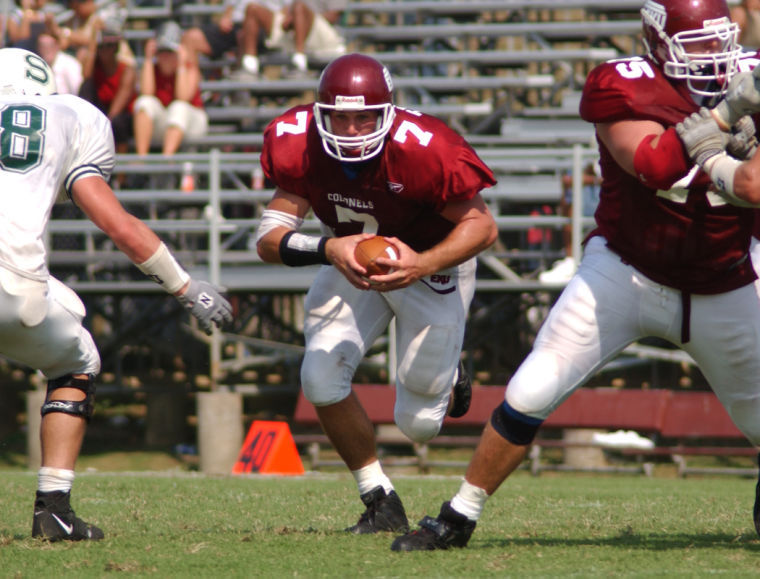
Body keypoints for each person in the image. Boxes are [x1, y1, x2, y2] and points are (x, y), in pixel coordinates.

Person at [391, 0, 760, 551]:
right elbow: (654, 165)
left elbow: (754, 189)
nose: (715, 57)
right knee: (534, 387)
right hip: (626, 271)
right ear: (659, 44)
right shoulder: (622, 83)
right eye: (699, 45)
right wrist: (723, 120)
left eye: (720, 41)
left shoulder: (747, 76)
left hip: (724, 279)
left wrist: (718, 155)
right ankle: (457, 517)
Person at [255, 53, 497, 533]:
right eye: (339, 117)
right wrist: (330, 248)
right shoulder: (297, 141)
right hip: (352, 264)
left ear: (387, 112)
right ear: (319, 112)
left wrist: (421, 263)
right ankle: (378, 500)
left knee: (419, 425)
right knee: (320, 377)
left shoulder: (425, 148)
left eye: (363, 116)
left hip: (428, 264)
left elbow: (483, 227)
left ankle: (447, 373)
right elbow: (268, 240)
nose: (350, 130)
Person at [0, 47, 232, 541]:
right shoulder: (69, 114)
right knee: (76, 357)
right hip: (9, 282)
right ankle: (53, 511)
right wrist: (185, 286)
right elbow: (117, 225)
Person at [133, 20, 208, 158]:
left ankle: (166, 160)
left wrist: (180, 65)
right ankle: (141, 158)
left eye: (170, 51)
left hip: (192, 122)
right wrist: (148, 59)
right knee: (144, 102)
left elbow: (183, 96)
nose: (165, 56)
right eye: (161, 51)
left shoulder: (189, 68)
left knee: (179, 107)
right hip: (167, 122)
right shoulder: (152, 69)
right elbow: (146, 92)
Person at [79, 18, 136, 159]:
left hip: (120, 115)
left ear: (116, 48)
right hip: (100, 109)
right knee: (86, 86)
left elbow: (119, 105)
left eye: (109, 46)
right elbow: (86, 76)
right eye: (101, 46)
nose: (105, 50)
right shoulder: (95, 68)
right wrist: (93, 41)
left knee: (117, 123)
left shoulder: (126, 70)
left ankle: (122, 177)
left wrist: (105, 123)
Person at [538, 161, 601, 284]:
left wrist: (589, 180)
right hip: (590, 213)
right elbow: (567, 184)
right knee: (570, 208)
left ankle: (572, 260)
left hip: (605, 215)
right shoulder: (583, 168)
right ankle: (571, 260)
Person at [266, 0, 347, 73]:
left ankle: (299, 58)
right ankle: (253, 63)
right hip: (298, 29)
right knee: (254, 9)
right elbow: (287, 9)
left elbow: (332, 17)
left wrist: (305, 18)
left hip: (325, 33)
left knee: (299, 6)